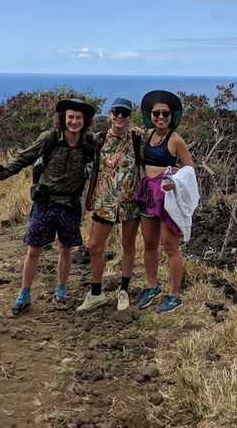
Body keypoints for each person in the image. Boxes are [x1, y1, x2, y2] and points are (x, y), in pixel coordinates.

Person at [0, 98, 96, 318]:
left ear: (85, 121)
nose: (74, 121)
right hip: (45, 203)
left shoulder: (89, 142)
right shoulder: (50, 138)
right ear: (63, 118)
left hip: (70, 204)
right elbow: (24, 158)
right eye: (70, 117)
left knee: (66, 248)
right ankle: (24, 295)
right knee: (34, 249)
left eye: (78, 118)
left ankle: (60, 291)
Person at [77, 98, 142, 312]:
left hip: (129, 201)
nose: (120, 116)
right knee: (95, 246)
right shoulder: (99, 139)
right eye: (117, 112)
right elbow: (95, 167)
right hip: (104, 200)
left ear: (130, 117)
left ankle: (124, 290)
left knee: (128, 245)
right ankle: (96, 293)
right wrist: (89, 198)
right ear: (110, 114)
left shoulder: (136, 138)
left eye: (125, 113)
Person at [134, 90, 195, 312]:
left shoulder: (176, 140)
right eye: (156, 113)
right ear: (150, 114)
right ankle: (152, 287)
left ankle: (174, 295)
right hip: (147, 194)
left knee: (170, 246)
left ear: (172, 116)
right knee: (149, 244)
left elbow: (190, 169)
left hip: (167, 197)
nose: (161, 117)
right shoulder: (148, 135)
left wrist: (176, 181)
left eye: (165, 113)